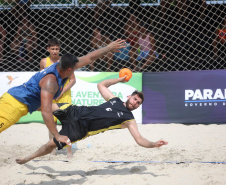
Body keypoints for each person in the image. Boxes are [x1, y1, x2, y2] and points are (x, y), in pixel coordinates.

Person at [0, 39, 126, 147]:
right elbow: (45, 111)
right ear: (69, 69)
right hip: (14, 105)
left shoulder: (61, 66)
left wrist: (108, 48)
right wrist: (57, 135)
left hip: (22, 102)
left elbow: (88, 58)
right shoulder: (51, 81)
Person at [16, 76, 168, 164]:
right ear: (129, 96)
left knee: (51, 145)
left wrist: (154, 144)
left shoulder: (129, 119)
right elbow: (101, 84)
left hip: (80, 130)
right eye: (135, 99)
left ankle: (27, 158)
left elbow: (140, 139)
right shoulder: (114, 99)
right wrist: (120, 79)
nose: (135, 103)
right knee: (45, 105)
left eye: (138, 103)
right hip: (76, 110)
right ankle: (17, 108)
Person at [40, 38, 76, 157]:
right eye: (52, 49)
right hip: (51, 97)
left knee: (68, 124)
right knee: (52, 124)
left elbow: (73, 80)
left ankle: (69, 151)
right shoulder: (44, 62)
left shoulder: (65, 61)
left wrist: (61, 91)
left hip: (64, 96)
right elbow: (41, 79)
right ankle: (53, 150)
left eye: (57, 49)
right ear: (48, 49)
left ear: (59, 49)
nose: (55, 51)